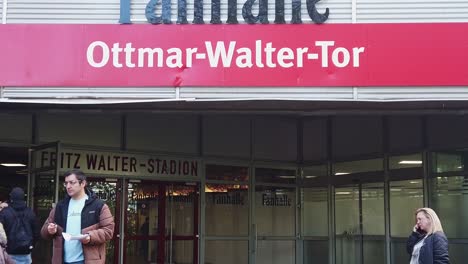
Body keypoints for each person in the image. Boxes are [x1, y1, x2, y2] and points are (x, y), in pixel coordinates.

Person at [41, 170, 115, 264]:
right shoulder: (60, 206)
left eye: (72, 182)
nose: (68, 186)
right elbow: (44, 232)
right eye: (66, 183)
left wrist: (90, 236)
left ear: (83, 183)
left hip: (86, 261)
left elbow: (108, 231)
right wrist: (49, 230)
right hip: (62, 261)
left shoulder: (98, 206)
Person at [0, 187, 40, 264]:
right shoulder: (30, 212)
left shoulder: (4, 213)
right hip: (26, 253)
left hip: (9, 254)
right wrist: (31, 245)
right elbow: (36, 233)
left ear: (11, 198)